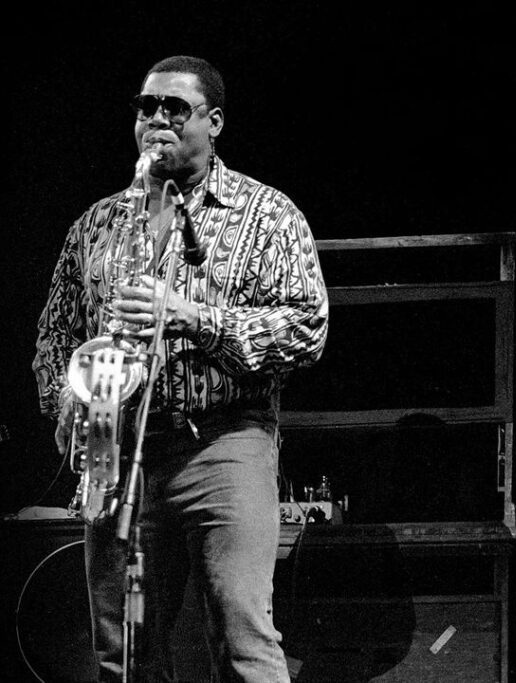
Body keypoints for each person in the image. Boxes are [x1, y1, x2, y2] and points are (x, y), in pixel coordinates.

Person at [32, 55, 328, 682]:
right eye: (147, 107)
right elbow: (55, 334)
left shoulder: (269, 214)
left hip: (224, 444)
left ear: (214, 121)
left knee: (242, 634)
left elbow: (307, 329)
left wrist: (191, 315)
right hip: (118, 451)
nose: (157, 120)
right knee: (125, 648)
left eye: (176, 108)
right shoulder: (96, 226)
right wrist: (69, 397)